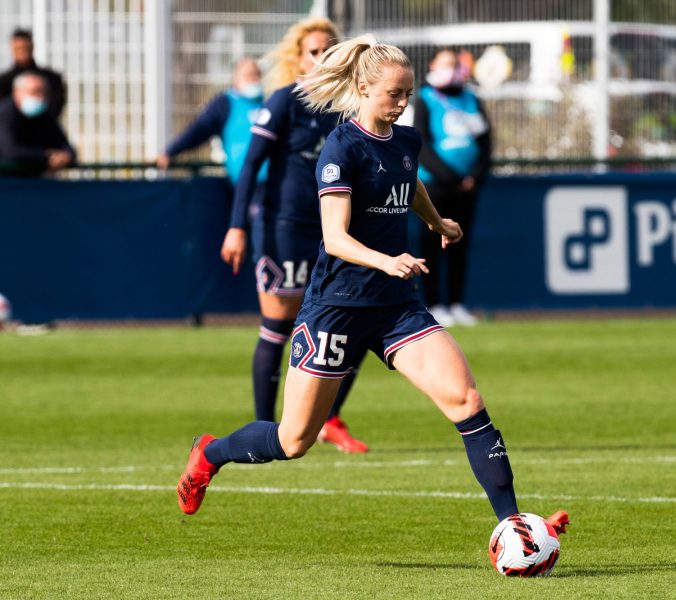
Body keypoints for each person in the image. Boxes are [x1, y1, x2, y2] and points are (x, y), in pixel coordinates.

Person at [177, 35, 569, 539]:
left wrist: (437, 222)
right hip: (336, 307)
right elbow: (335, 238)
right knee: (295, 440)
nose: (403, 103)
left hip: (394, 307)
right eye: (394, 94)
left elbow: (408, 183)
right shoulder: (340, 147)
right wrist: (388, 260)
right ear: (363, 88)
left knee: (466, 401)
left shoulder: (405, 140)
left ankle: (513, 523)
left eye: (407, 93)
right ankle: (210, 452)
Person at [220, 18, 368, 453]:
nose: (322, 58)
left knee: (355, 326)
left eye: (329, 50)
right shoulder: (285, 101)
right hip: (285, 228)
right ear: (298, 57)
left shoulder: (349, 107)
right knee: (278, 326)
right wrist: (236, 226)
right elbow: (250, 165)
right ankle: (264, 428)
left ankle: (330, 418)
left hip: (336, 231)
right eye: (313, 51)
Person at [414, 48, 492, 327]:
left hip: (466, 189)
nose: (451, 68)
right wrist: (450, 177)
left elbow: (485, 142)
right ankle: (434, 304)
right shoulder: (424, 99)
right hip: (434, 188)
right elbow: (421, 144)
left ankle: (457, 303)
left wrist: (474, 177)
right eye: (445, 63)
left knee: (460, 245)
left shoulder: (471, 98)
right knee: (433, 246)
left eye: (454, 64)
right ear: (433, 65)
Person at [156, 58, 267, 190]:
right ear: (236, 79)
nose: (254, 79)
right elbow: (199, 130)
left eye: (257, 74)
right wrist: (171, 152)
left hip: (272, 180)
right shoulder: (225, 103)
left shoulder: (266, 103)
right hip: (245, 182)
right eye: (249, 75)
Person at [0, 71, 74, 176]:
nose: (41, 97)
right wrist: (46, 156)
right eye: (34, 92)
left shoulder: (44, 115)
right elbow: (10, 151)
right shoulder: (4, 115)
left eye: (44, 92)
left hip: (35, 182)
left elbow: (64, 145)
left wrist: (66, 156)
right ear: (17, 92)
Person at [0, 28, 65, 120]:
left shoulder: (52, 78)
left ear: (32, 47)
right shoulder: (4, 81)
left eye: (25, 48)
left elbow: (55, 107)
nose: (22, 52)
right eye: (18, 48)